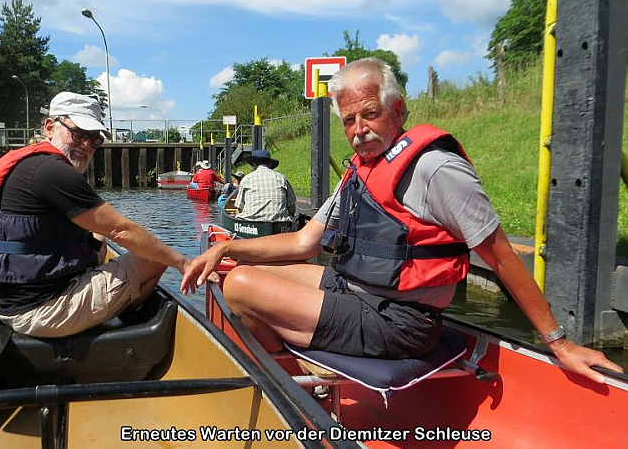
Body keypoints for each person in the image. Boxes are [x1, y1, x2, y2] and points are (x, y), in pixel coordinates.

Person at [182, 57, 622, 384]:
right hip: (358, 293)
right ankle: (292, 371)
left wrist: (559, 342)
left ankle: (289, 383)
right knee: (242, 269)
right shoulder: (361, 169)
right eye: (349, 120)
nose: (359, 129)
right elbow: (303, 242)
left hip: (402, 322)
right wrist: (227, 248)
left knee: (240, 287)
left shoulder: (436, 169)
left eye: (370, 113)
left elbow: (500, 255)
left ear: (397, 110)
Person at [0, 92, 194, 338]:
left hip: (8, 303)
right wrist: (183, 263)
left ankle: (104, 307)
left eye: (94, 139)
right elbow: (120, 229)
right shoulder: (53, 172)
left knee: (97, 237)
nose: (87, 145)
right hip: (41, 312)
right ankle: (124, 327)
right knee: (156, 258)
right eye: (78, 134)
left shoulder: (23, 164)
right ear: (50, 127)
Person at [234, 149, 296, 222]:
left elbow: (240, 207)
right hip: (279, 224)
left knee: (237, 215)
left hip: (250, 224)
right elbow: (292, 209)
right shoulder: (282, 178)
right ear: (270, 164)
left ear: (254, 163)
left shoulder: (246, 179)